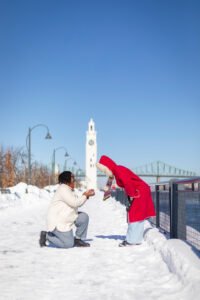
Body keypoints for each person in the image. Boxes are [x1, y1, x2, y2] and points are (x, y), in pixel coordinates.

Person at [96, 155, 156, 247]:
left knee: (135, 215)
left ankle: (132, 240)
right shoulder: (117, 170)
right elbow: (124, 182)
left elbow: (128, 182)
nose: (105, 173)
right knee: (137, 215)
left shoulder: (118, 170)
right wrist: (111, 188)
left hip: (139, 192)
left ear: (108, 167)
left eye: (104, 170)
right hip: (140, 191)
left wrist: (132, 194)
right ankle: (135, 239)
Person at [39, 171, 95, 248]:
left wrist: (85, 195)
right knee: (68, 244)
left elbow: (75, 201)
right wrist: (85, 195)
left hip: (66, 217)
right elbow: (75, 203)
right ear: (67, 179)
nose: (74, 180)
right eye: (72, 177)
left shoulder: (68, 189)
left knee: (83, 217)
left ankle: (78, 239)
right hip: (58, 221)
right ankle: (47, 236)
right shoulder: (63, 189)